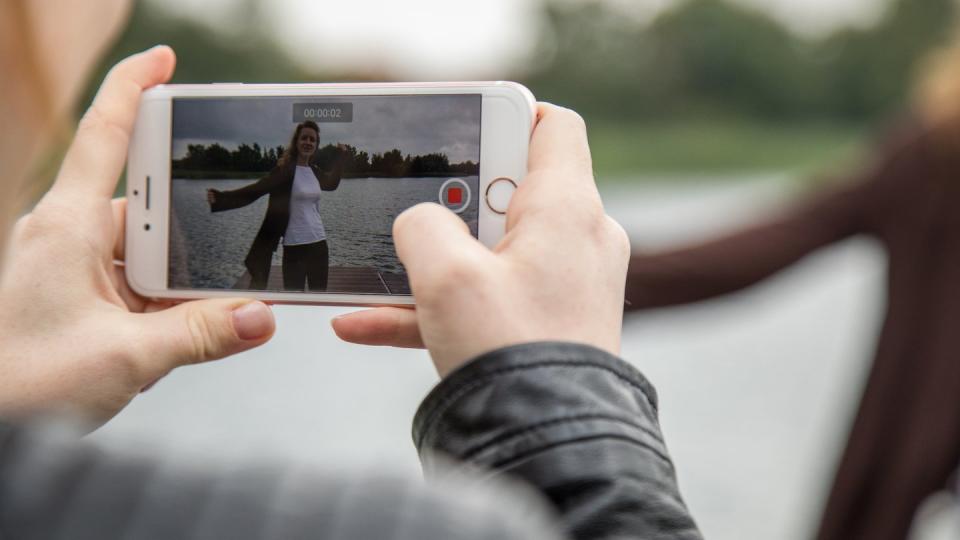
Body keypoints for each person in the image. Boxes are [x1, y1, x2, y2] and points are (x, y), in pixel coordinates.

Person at [0, 2, 701, 538]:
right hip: (284, 248)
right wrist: (557, 379)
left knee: (305, 285)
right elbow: (257, 192)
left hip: (317, 253)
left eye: (310, 135)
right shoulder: (403, 525)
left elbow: (332, 191)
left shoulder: (319, 166)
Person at [206, 121, 343, 291]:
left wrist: (339, 156)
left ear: (316, 145)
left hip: (319, 244)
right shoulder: (284, 171)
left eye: (312, 140)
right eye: (304, 138)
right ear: (296, 142)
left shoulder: (314, 171)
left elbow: (332, 183)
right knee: (293, 300)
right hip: (294, 245)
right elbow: (257, 189)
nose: (308, 142)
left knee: (320, 295)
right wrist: (221, 197)